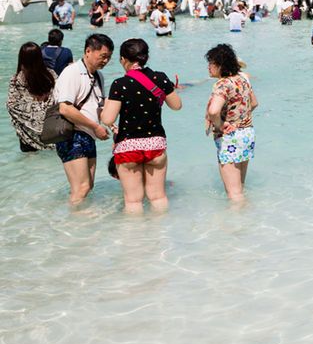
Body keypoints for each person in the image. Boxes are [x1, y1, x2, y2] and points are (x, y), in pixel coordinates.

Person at [99, 38, 182, 213]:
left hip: (128, 147)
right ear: (146, 57)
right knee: (158, 197)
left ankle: (136, 239)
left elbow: (107, 119)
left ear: (123, 59)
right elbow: (176, 106)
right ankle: (160, 235)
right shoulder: (159, 78)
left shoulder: (119, 84)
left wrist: (102, 109)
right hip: (155, 145)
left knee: (133, 201)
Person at [53, 33, 114, 204]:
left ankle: (78, 222)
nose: (106, 61)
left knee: (88, 186)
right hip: (71, 134)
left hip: (88, 135)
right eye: (103, 56)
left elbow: (98, 107)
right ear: (88, 51)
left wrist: (112, 126)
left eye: (109, 57)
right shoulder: (72, 72)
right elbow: (65, 108)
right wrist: (95, 126)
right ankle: (73, 223)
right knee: (82, 187)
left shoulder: (99, 76)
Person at [205, 44, 258, 201]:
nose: (209, 67)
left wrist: (221, 125)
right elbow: (254, 103)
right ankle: (247, 221)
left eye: (211, 63)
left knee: (233, 193)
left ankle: (235, 225)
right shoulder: (243, 79)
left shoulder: (223, 84)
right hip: (247, 134)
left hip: (229, 138)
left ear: (220, 65)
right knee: (240, 187)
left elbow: (213, 111)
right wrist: (239, 120)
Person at [7, 42, 57, 152]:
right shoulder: (51, 75)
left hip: (27, 136)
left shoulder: (16, 80)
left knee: (29, 165)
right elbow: (59, 100)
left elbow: (12, 105)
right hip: (52, 131)